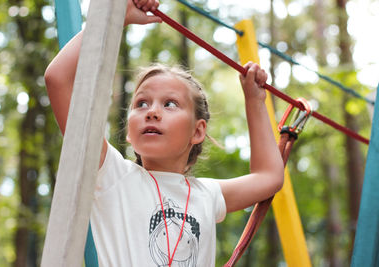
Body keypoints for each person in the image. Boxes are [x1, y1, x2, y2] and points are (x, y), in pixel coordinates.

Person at [44, 0, 284, 266]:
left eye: (170, 104)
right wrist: (115, 19)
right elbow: (58, 79)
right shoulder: (110, 175)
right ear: (128, 134)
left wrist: (254, 101)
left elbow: (269, 177)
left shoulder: (206, 195)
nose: (152, 112)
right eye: (141, 104)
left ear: (197, 131)